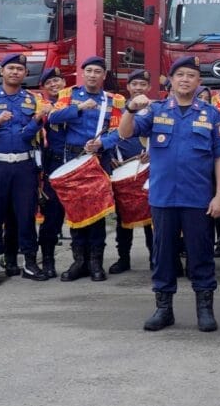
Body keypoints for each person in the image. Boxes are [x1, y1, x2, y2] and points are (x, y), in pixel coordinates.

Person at [119, 56, 220, 332]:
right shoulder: (156, 110)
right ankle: (163, 308)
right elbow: (125, 133)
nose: (185, 80)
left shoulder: (211, 114)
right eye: (180, 74)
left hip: (198, 198)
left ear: (198, 81)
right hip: (164, 197)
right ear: (171, 80)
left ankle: (204, 309)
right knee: (163, 254)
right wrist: (131, 108)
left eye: (191, 75)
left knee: (201, 253)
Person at [0, 53, 51, 285]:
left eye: (20, 69)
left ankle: (31, 263)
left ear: (25, 74)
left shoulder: (33, 100)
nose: (15, 72)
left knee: (26, 215)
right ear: (2, 72)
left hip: (24, 166)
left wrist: (37, 119)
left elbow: (29, 136)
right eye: (11, 68)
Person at [48, 56, 126, 282]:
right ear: (83, 74)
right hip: (73, 157)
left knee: (97, 210)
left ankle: (95, 262)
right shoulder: (68, 95)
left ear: (104, 76)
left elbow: (118, 131)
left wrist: (102, 143)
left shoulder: (114, 100)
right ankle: (78, 260)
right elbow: (53, 117)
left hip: (98, 158)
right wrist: (79, 108)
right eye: (89, 71)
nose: (92, 75)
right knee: (76, 209)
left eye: (97, 71)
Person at [98, 69, 154, 274]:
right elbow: (112, 137)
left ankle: (155, 259)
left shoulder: (156, 109)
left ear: (148, 88)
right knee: (123, 219)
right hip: (122, 171)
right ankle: (123, 258)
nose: (138, 88)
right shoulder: (118, 111)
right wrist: (105, 151)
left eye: (143, 84)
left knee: (152, 219)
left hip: (148, 170)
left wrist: (154, 155)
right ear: (128, 87)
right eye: (134, 84)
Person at [36, 67, 68, 277]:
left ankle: (85, 260)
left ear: (64, 83)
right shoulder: (41, 106)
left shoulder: (75, 102)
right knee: (51, 215)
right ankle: (48, 260)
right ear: (44, 87)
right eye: (49, 83)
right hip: (53, 164)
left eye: (57, 81)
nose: (54, 85)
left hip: (76, 160)